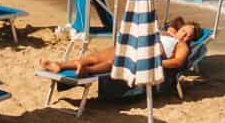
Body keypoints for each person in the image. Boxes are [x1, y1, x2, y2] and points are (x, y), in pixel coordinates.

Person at [39, 16, 200, 77]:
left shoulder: (182, 46)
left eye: (189, 37)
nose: (185, 36)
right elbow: (175, 21)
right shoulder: (167, 33)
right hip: (137, 44)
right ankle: (59, 65)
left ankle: (88, 70)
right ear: (181, 28)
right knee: (95, 56)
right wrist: (171, 31)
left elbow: (178, 63)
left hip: (149, 54)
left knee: (114, 62)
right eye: (185, 31)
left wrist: (154, 63)